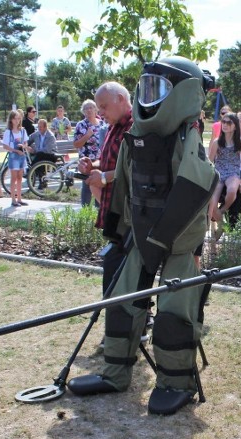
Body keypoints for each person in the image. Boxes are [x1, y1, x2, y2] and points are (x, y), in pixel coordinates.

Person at [68, 56, 219, 416]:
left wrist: (161, 238)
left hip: (178, 242)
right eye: (147, 88)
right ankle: (115, 372)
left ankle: (175, 382)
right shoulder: (137, 136)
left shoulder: (188, 134)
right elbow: (123, 183)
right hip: (140, 236)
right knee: (121, 302)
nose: (151, 97)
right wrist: (118, 230)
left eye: (161, 89)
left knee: (173, 311)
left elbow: (195, 187)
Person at [77, 81, 134, 300]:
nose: (100, 112)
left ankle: (129, 319)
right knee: (117, 264)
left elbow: (134, 168)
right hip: (114, 210)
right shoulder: (113, 126)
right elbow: (113, 162)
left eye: (103, 106)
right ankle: (129, 318)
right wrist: (93, 165)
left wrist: (103, 177)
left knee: (122, 266)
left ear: (120, 99)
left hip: (127, 212)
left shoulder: (135, 127)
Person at [209, 112, 241, 230]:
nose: (225, 125)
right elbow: (210, 162)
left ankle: (222, 211)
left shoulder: (240, 142)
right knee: (212, 203)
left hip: (233, 173)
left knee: (232, 191)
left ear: (235, 126)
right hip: (218, 173)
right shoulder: (217, 142)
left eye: (228, 122)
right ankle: (222, 226)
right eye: (223, 122)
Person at [72, 99, 102, 206]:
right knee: (87, 185)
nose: (89, 110)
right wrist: (87, 136)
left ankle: (99, 211)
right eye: (86, 108)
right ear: (83, 111)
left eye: (91, 107)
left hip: (100, 161)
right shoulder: (81, 125)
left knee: (99, 185)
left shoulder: (102, 123)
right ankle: (85, 212)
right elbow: (76, 144)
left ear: (95, 110)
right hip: (86, 161)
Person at [1, 110, 28, 207]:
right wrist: (15, 150)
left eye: (18, 118)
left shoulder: (23, 130)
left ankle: (20, 198)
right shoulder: (8, 132)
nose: (17, 121)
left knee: (20, 177)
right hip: (13, 156)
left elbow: (26, 143)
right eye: (15, 118)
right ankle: (13, 199)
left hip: (22, 155)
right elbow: (5, 146)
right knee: (14, 178)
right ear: (11, 120)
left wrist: (23, 146)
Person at [27, 118, 57, 190]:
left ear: (45, 127)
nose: (39, 128)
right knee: (39, 159)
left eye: (40, 127)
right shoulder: (37, 134)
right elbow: (28, 139)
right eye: (38, 127)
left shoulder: (51, 136)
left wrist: (34, 150)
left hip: (50, 155)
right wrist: (25, 145)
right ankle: (42, 182)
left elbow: (47, 150)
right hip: (39, 156)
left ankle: (31, 170)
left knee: (39, 156)